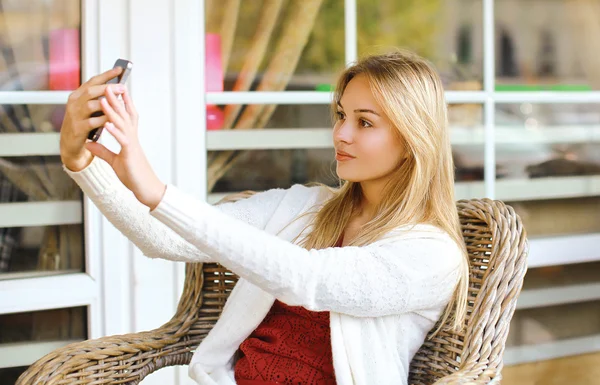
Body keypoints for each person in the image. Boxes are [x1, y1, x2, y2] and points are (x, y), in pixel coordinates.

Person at [60, 50, 469, 385]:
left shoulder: (431, 254)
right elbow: (162, 238)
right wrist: (79, 159)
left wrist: (157, 191)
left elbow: (306, 280)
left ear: (414, 139)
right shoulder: (305, 208)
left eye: (364, 122)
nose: (341, 134)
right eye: (342, 115)